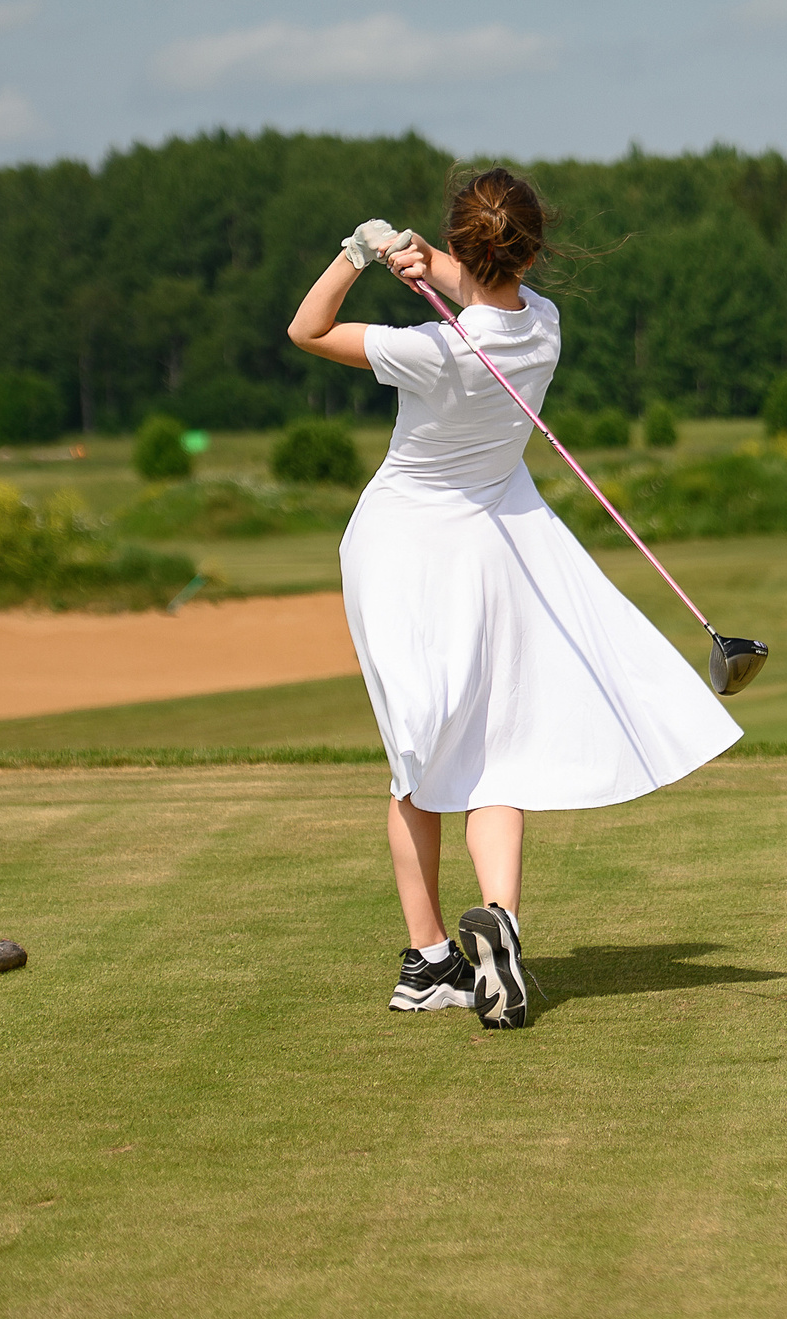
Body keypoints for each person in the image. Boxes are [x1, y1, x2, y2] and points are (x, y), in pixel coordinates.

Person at [285, 167, 742, 1029]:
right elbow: (489, 289)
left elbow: (307, 330)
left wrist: (355, 253)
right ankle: (502, 918)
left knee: (415, 761)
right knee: (494, 748)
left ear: (463, 246)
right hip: (487, 549)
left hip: (399, 554)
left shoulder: (431, 350)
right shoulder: (545, 327)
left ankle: (428, 964)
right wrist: (423, 256)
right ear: (531, 251)